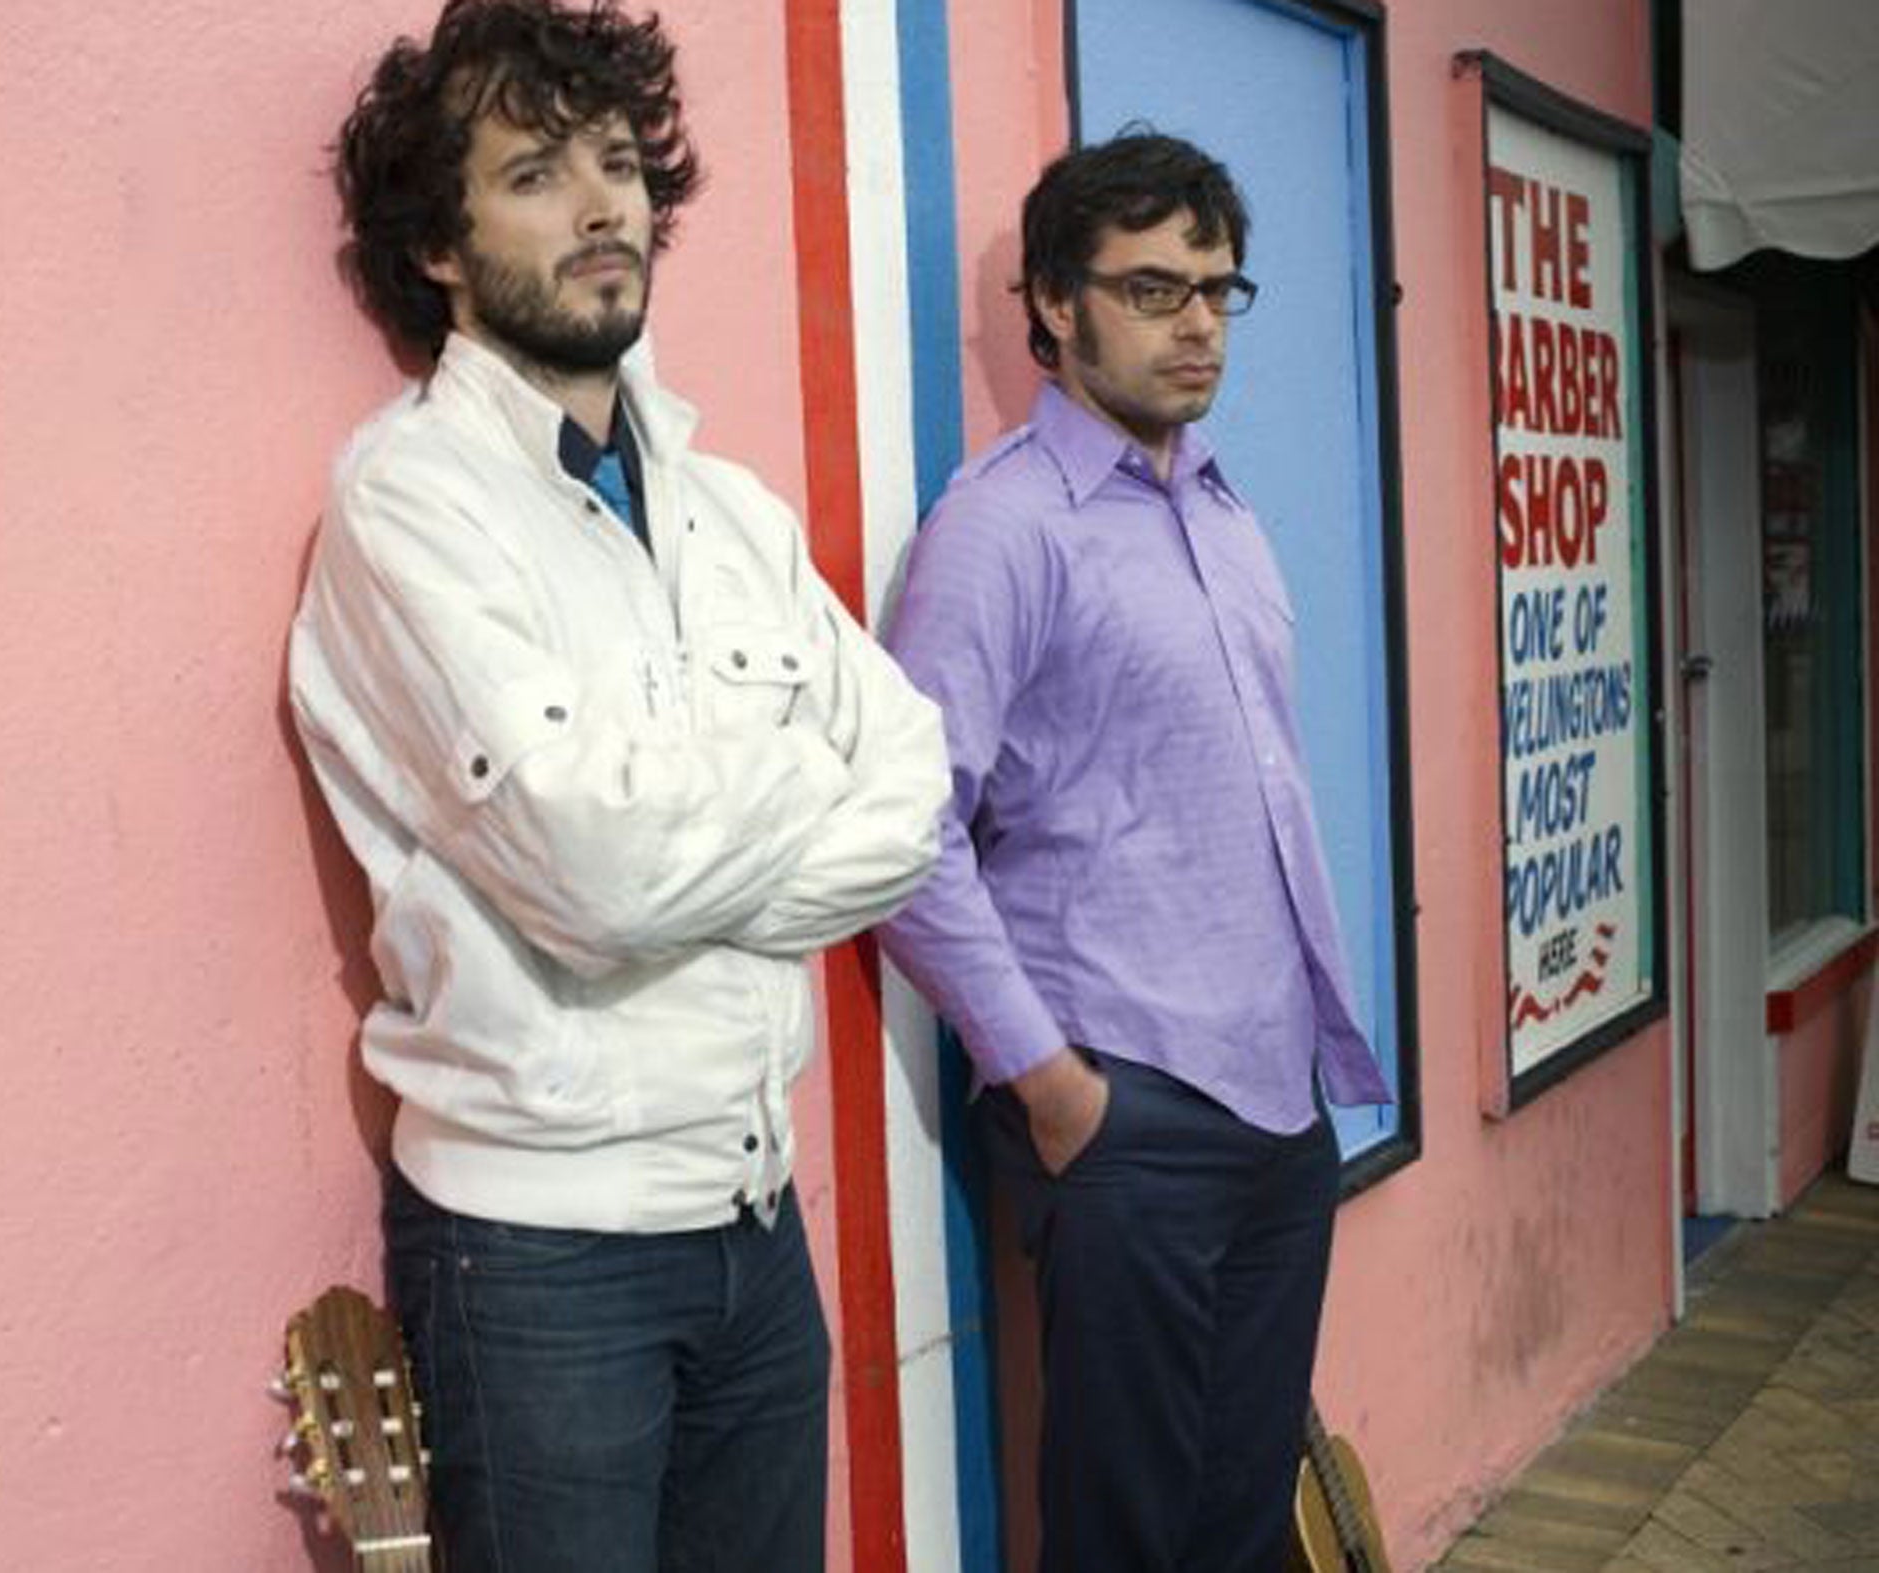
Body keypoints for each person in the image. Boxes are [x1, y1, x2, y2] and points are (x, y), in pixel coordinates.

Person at [288, 4, 949, 1570]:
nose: (602, 207)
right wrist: (798, 774)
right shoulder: (409, 508)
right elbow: (592, 882)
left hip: (753, 1222)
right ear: (438, 248)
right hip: (538, 1258)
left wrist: (691, 838)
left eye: (617, 162)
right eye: (533, 173)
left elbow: (914, 790)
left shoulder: (732, 510)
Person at [878, 131, 1392, 1573]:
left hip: (1275, 1108)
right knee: (1124, 1536)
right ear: (1054, 304)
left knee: (1241, 1531)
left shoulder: (1224, 514)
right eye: (1155, 287)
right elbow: (906, 825)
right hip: (1126, 1111)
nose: (1197, 324)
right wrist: (1048, 1080)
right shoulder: (1003, 529)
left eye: (1220, 291)